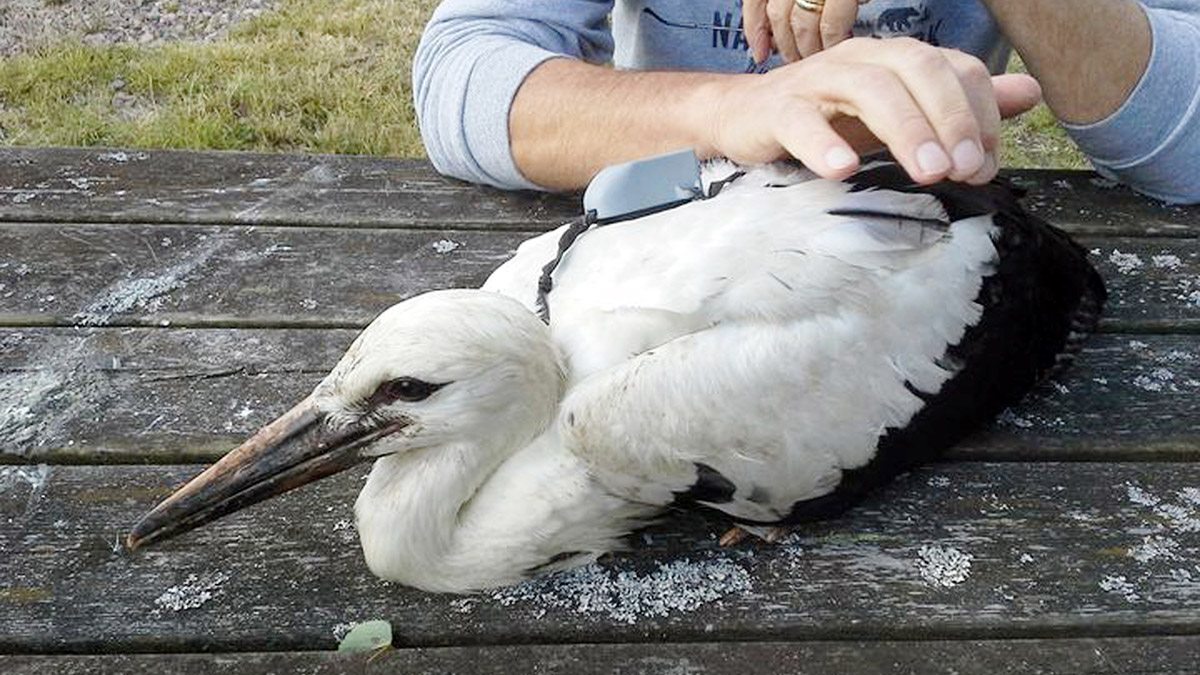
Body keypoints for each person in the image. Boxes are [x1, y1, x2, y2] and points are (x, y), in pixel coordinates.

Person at [413, 0, 1200, 204]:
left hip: (927, 243)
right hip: (669, 213)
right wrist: (729, 112)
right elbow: (461, 74)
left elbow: (1186, 154)